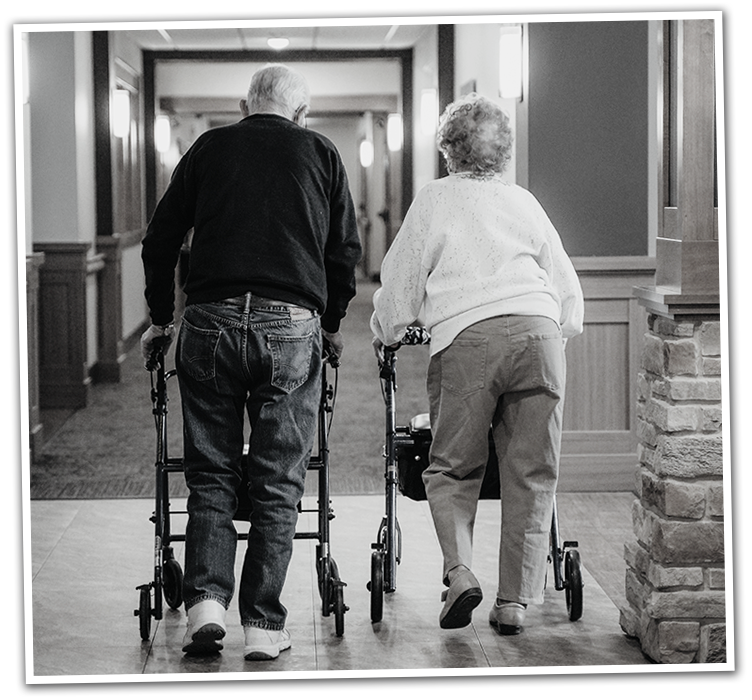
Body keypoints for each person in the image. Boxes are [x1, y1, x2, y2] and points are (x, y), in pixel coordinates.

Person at [140, 63, 362, 660]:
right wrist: (333, 323)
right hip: (290, 325)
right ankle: (263, 624)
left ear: (245, 106)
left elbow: (159, 239)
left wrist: (162, 317)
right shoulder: (321, 151)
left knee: (210, 470)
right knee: (278, 478)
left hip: (209, 320)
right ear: (301, 113)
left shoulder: (209, 147)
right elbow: (344, 251)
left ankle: (205, 605)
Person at [370, 93, 584, 635]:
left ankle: (461, 572)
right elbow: (567, 294)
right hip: (541, 335)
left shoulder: (436, 200)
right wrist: (554, 330)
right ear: (504, 152)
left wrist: (389, 332)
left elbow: (399, 284)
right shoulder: (524, 202)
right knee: (532, 473)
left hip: (468, 339)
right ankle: (513, 602)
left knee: (453, 466)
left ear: (448, 150)